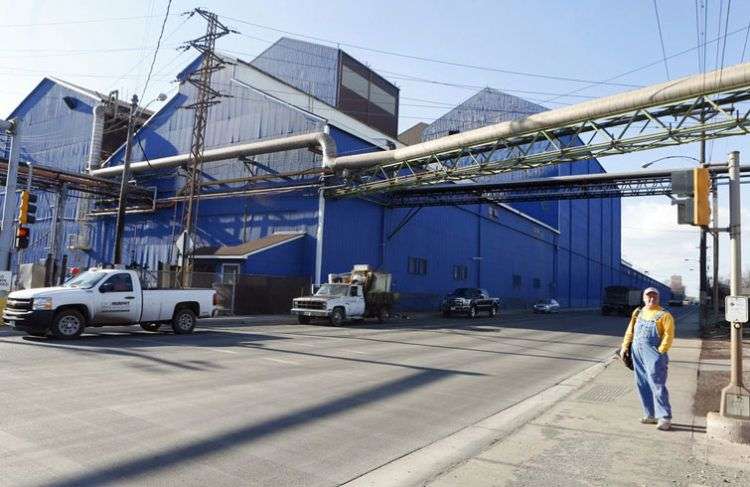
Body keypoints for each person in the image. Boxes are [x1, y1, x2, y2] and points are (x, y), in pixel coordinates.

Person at [620, 287, 675, 431]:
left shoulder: (664, 315)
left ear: (658, 298)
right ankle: (650, 414)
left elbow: (669, 336)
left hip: (654, 354)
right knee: (642, 383)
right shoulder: (638, 312)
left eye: (654, 296)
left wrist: (660, 352)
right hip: (637, 351)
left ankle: (664, 417)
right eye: (648, 296)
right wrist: (625, 347)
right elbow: (630, 330)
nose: (651, 299)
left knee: (657, 384)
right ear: (643, 298)